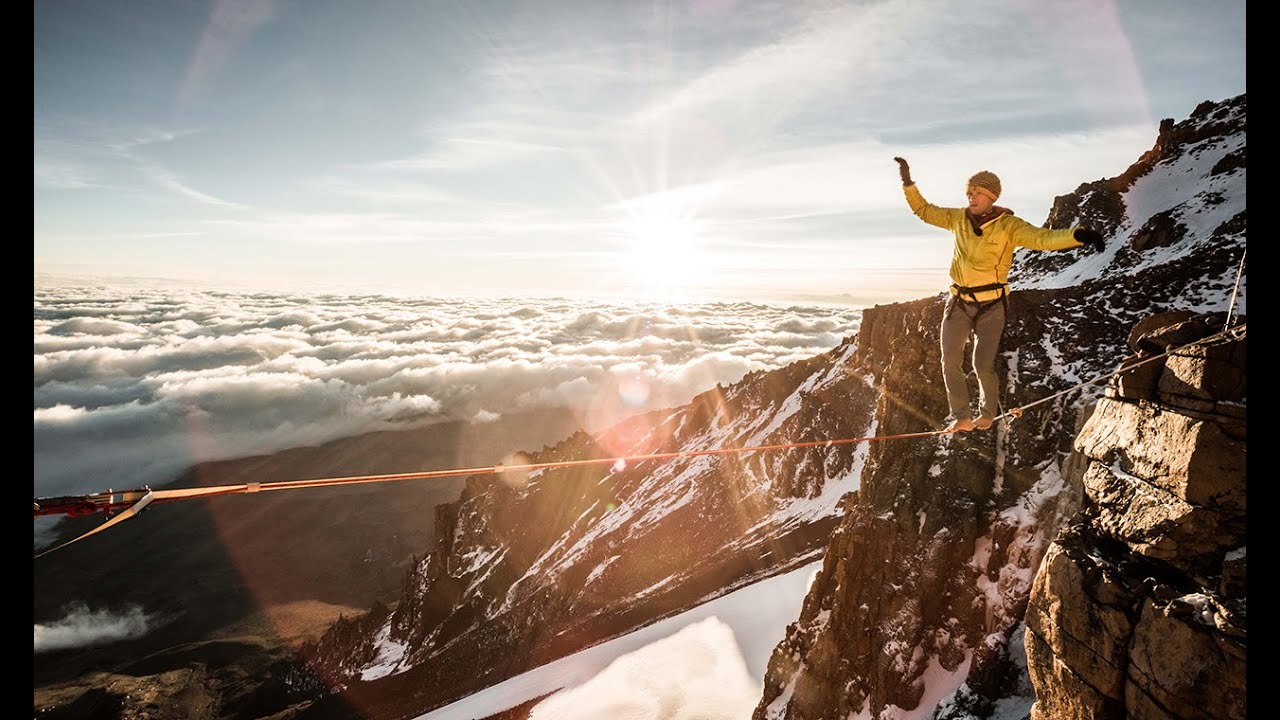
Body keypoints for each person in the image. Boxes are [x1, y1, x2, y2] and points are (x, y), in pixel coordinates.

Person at [893, 156, 1104, 433]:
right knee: (950, 360)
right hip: (958, 301)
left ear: (992, 196)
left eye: (977, 192)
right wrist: (908, 182)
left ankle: (987, 414)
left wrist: (1078, 236)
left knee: (982, 364)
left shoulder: (1009, 226)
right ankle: (961, 416)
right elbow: (923, 210)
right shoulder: (957, 219)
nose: (971, 197)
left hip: (992, 304)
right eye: (969, 192)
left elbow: (1042, 239)